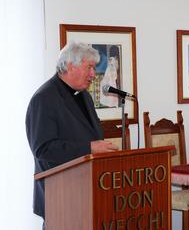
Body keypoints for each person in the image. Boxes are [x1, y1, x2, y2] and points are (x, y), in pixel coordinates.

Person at [26, 42, 119, 225]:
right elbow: (43, 149)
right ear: (71, 66)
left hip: (88, 191)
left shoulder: (84, 95)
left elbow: (92, 132)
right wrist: (89, 148)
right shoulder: (44, 98)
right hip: (60, 195)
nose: (93, 74)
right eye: (89, 67)